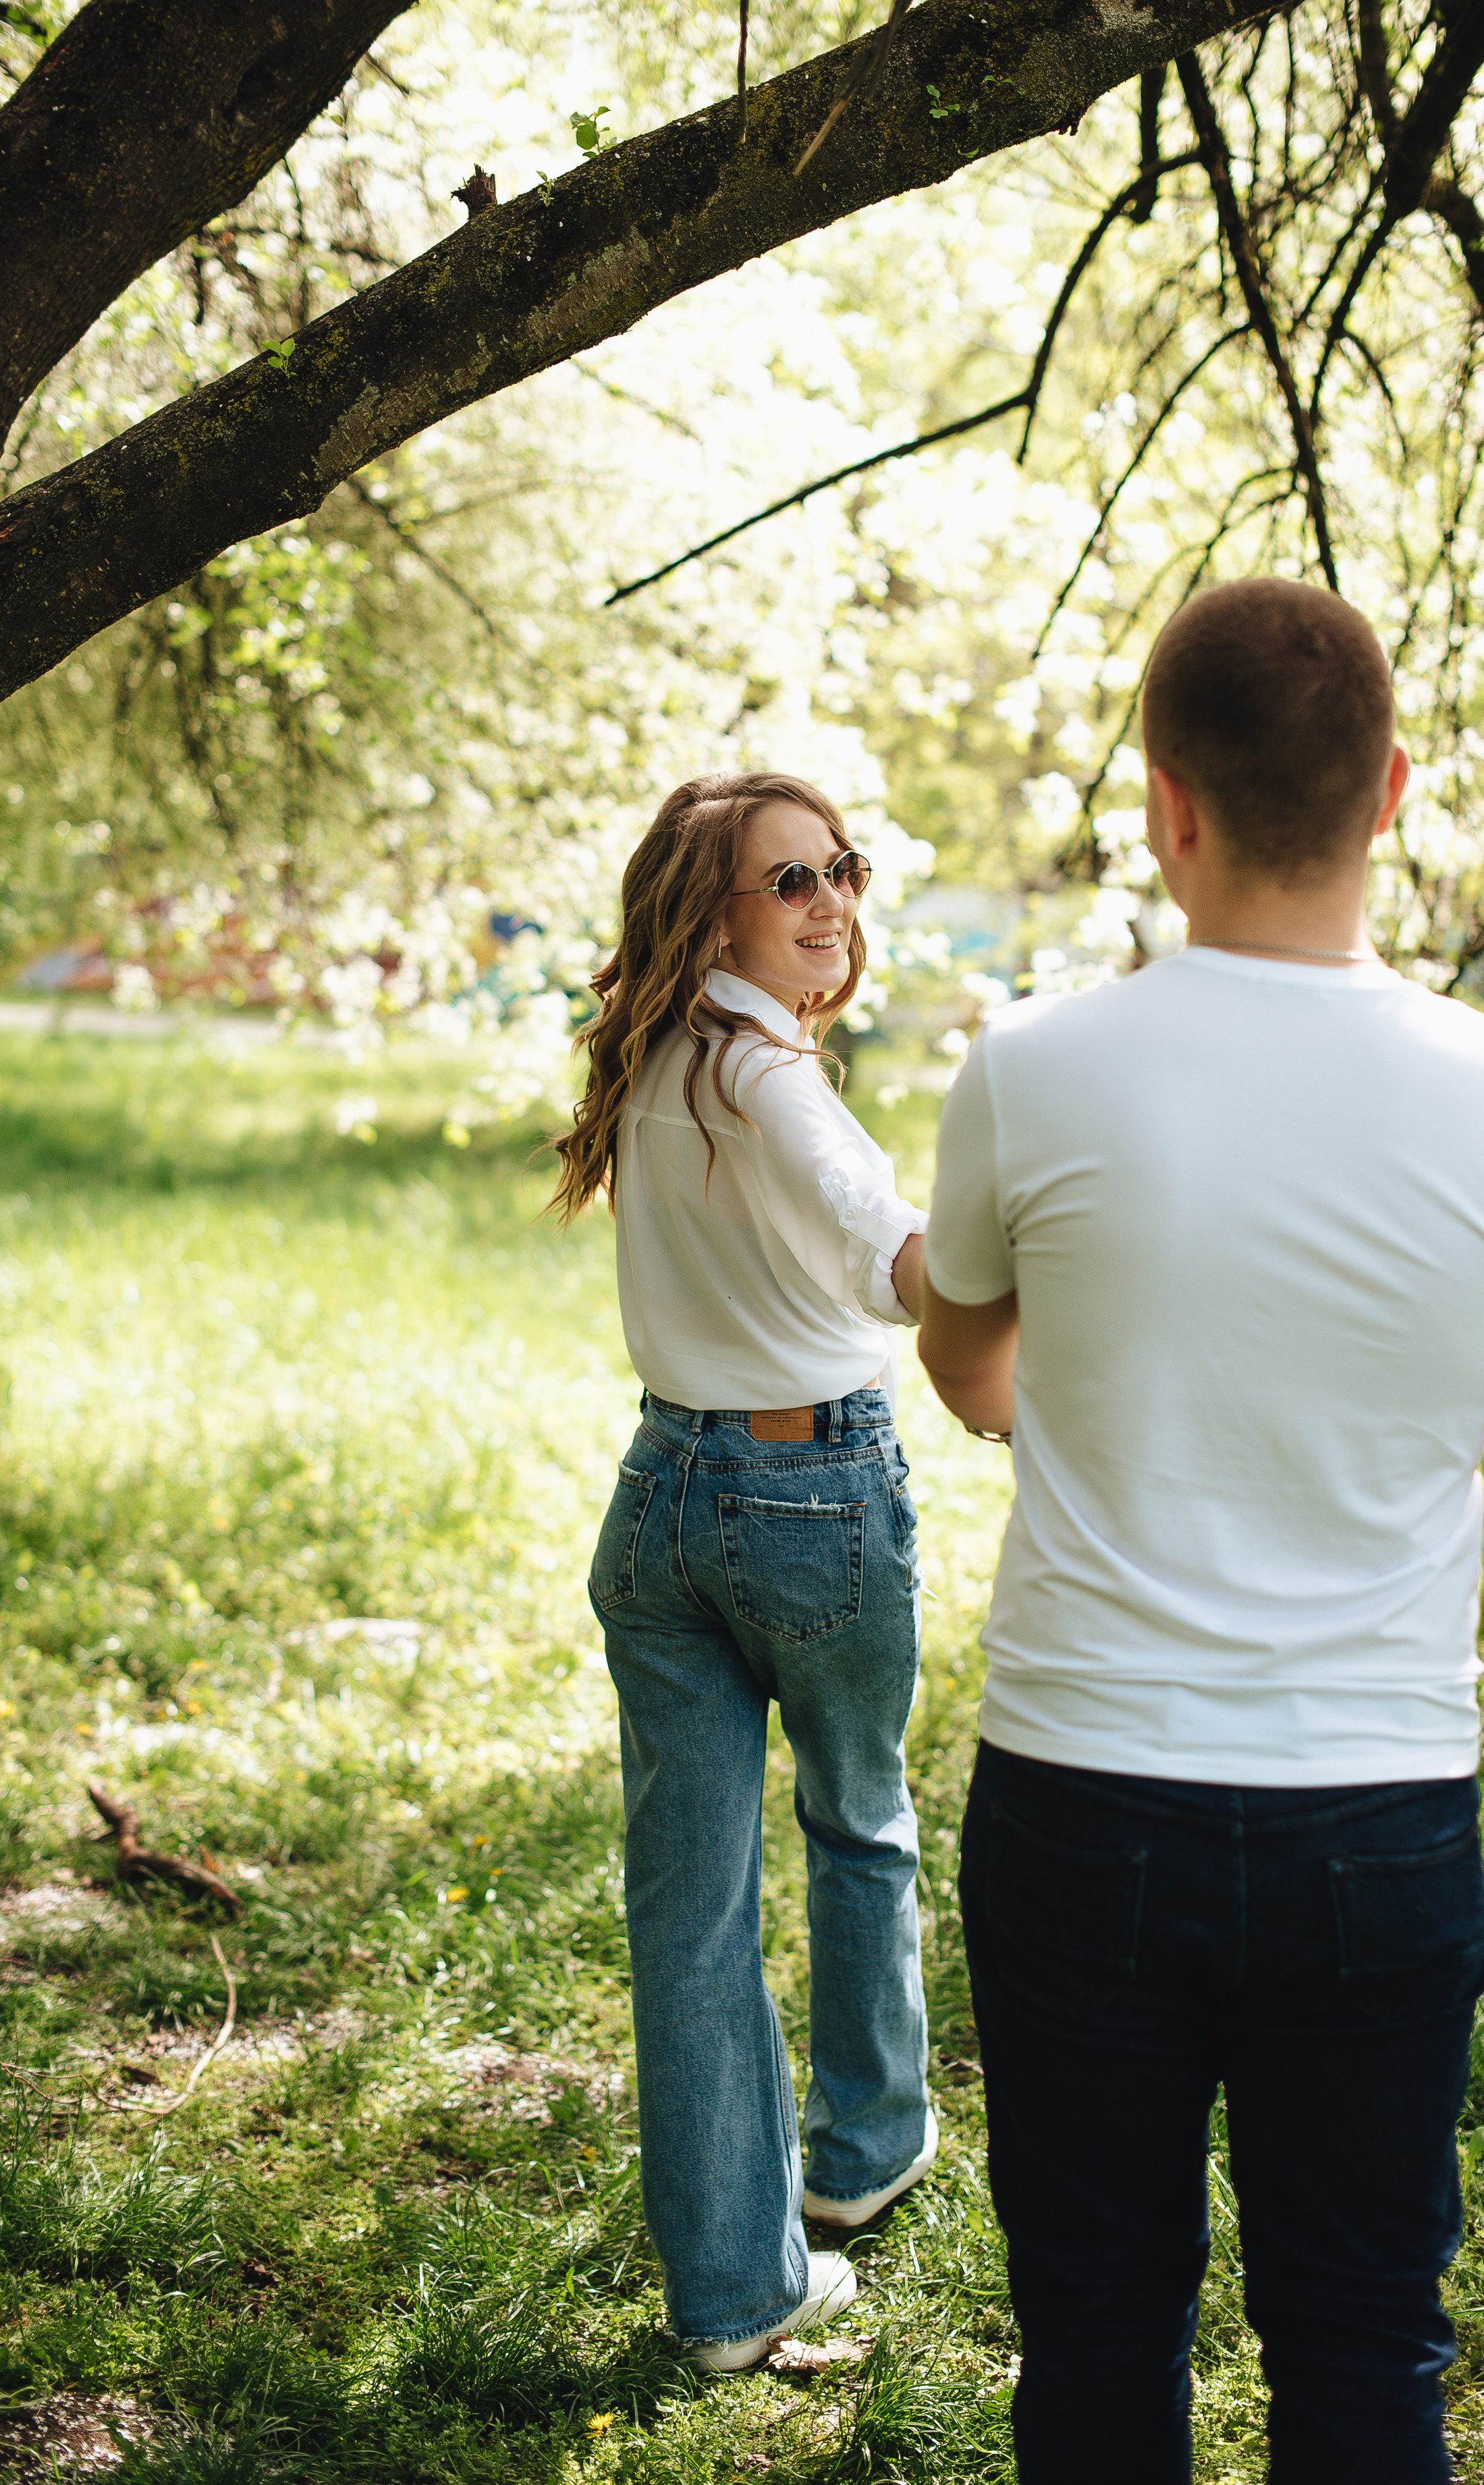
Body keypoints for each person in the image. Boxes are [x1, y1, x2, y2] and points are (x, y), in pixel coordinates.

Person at [916, 577, 1484, 2482]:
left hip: (1079, 1803)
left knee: (1093, 2334)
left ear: (1168, 808)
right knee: (1362, 2343)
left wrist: (1064, 1403)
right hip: (1377, 1824)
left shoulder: (1031, 1068)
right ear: (1391, 790)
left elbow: (969, 1351)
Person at [553, 771, 937, 2373]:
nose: (829, 904)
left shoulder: (653, 1055)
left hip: (662, 1500)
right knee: (857, 1820)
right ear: (707, 906)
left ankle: (730, 2290)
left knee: (690, 1911)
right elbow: (903, 1270)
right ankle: (862, 2153)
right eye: (789, 881)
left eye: (839, 869)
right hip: (808, 1490)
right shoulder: (769, 1079)